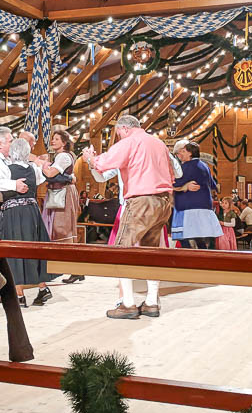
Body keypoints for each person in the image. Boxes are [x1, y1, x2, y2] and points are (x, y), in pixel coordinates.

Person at [82, 115, 173, 319]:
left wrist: (90, 158)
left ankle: (128, 304)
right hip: (164, 201)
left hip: (140, 201)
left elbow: (104, 163)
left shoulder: (130, 141)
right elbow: (174, 172)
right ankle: (151, 303)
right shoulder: (158, 143)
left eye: (118, 133)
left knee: (121, 251)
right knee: (152, 252)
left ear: (123, 129)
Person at [0, 137, 51, 307]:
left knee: (14, 250)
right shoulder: (33, 169)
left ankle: (19, 294)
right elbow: (39, 181)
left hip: (13, 212)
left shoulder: (7, 169)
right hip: (32, 212)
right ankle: (42, 288)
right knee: (34, 248)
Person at [40, 128, 83, 284]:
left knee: (62, 229)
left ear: (64, 143)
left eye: (56, 139)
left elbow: (51, 174)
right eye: (53, 138)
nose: (53, 141)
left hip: (62, 194)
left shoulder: (64, 156)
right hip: (58, 192)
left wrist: (42, 165)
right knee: (59, 229)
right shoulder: (60, 156)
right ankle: (70, 268)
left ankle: (75, 269)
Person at [171, 141, 222, 249]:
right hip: (204, 206)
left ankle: (188, 258)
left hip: (189, 207)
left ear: (190, 153)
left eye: (183, 152)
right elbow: (213, 185)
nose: (180, 154)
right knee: (199, 236)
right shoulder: (205, 166)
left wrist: (184, 186)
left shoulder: (187, 166)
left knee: (184, 236)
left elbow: (173, 183)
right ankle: (204, 257)